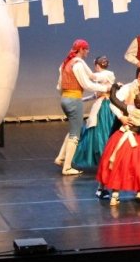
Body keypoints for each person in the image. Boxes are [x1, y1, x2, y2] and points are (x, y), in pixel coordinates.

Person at [97, 88, 140, 206]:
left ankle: (115, 195)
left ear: (134, 101)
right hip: (137, 141)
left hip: (121, 138)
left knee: (118, 165)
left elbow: (114, 100)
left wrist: (114, 87)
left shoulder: (128, 109)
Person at [54, 39, 111, 176]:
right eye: (86, 49)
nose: (88, 51)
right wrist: (105, 87)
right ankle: (67, 167)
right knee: (75, 134)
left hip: (65, 98)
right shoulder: (78, 64)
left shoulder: (66, 63)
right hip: (74, 99)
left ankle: (61, 157)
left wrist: (66, 96)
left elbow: (59, 85)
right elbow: (87, 84)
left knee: (75, 128)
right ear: (81, 49)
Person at [73, 55, 118, 197]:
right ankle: (103, 158)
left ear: (96, 64)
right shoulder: (104, 76)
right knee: (95, 130)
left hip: (104, 107)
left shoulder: (107, 74)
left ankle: (106, 157)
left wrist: (81, 62)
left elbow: (92, 77)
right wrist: (83, 99)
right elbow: (96, 94)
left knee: (101, 131)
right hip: (100, 104)